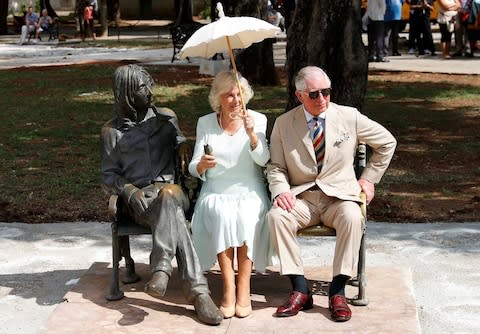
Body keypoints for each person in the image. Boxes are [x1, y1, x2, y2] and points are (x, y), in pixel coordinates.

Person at [266, 66, 396, 322]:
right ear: (299, 95)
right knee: (276, 216)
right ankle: (300, 288)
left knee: (352, 217)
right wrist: (281, 190)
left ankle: (338, 290)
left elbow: (387, 142)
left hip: (340, 198)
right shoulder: (284, 124)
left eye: (326, 92)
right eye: (315, 94)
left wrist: (369, 179)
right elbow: (276, 167)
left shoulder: (350, 116)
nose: (322, 99)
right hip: (303, 198)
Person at [100, 64, 223, 326]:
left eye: (150, 84)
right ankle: (198, 293)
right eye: (144, 87)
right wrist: (130, 191)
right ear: (127, 92)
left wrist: (181, 146)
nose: (151, 91)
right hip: (142, 202)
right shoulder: (111, 132)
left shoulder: (166, 118)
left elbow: (180, 141)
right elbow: (109, 176)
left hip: (175, 192)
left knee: (169, 194)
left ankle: (162, 268)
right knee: (174, 215)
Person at [188, 70, 276, 319]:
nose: (235, 100)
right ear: (218, 98)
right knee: (221, 214)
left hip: (249, 186)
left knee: (248, 214)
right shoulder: (205, 122)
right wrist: (202, 165)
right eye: (229, 95)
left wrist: (251, 135)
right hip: (216, 188)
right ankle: (228, 287)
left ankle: (244, 288)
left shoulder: (257, 119)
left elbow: (263, 160)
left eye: (239, 94)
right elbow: (194, 166)